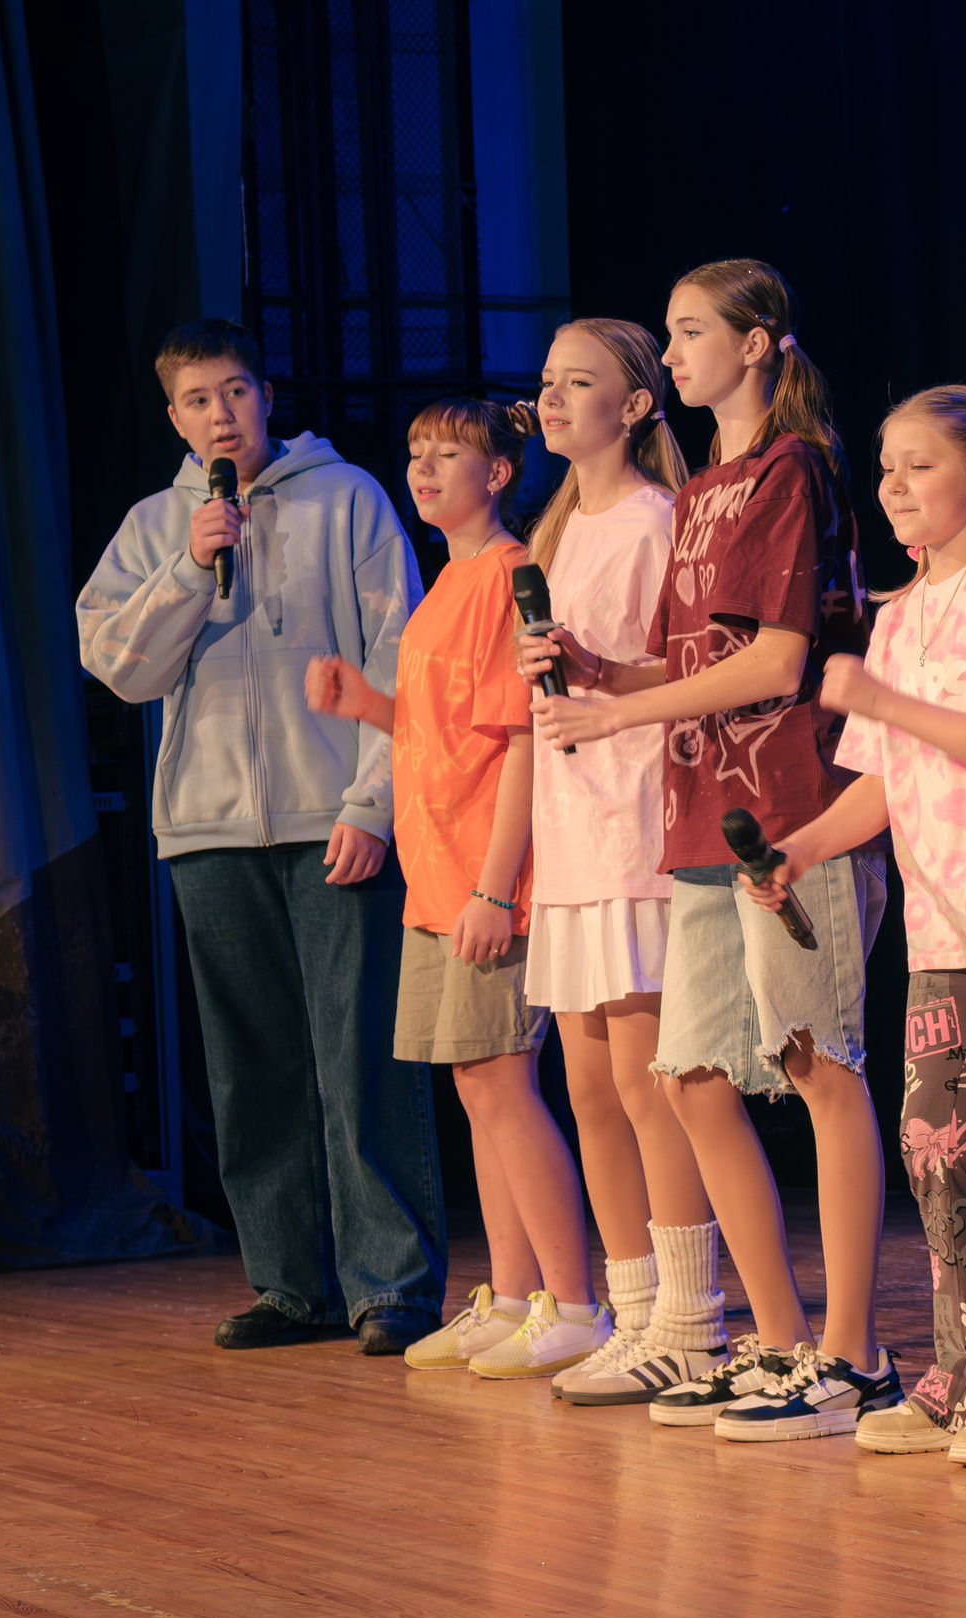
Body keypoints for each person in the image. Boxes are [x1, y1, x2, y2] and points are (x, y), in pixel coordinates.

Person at [523, 260, 900, 1442]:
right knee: (688, 1077)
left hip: (789, 811)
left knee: (815, 1064)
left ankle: (853, 1352)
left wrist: (617, 714)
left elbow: (777, 665)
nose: (675, 353)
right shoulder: (706, 491)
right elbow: (689, 666)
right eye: (673, 335)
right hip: (695, 818)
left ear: (757, 345)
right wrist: (601, 673)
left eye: (692, 334)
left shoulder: (792, 471)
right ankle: (778, 1340)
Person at [742, 385, 966, 1467]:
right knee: (939, 1158)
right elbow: (881, 784)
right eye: (885, 468)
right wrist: (802, 847)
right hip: (939, 938)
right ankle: (959, 1372)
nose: (893, 487)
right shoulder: (895, 617)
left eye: (919, 466)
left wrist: (885, 705)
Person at [77, 319, 442, 1355]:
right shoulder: (159, 524)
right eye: (197, 401)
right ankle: (292, 1284)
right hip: (206, 827)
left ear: (266, 394)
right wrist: (192, 571)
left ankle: (393, 1287)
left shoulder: (349, 499)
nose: (219, 415)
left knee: (362, 1057)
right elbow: (120, 666)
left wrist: (372, 804)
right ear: (174, 417)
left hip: (336, 819)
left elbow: (398, 659)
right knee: (252, 1070)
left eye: (234, 392)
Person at [305, 397, 608, 1381]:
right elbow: (443, 737)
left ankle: (575, 1301)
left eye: (449, 455)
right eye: (415, 451)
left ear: (501, 474)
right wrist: (370, 708)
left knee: (505, 1085)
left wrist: (493, 885)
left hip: (487, 877)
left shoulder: (513, 575)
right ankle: (513, 1297)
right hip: (432, 878)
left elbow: (522, 741)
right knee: (476, 1092)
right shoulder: (444, 585)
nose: (424, 469)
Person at [507, 320, 733, 1407]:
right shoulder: (554, 532)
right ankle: (633, 1308)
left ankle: (692, 1320)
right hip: (572, 831)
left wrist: (603, 684)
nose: (552, 400)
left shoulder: (654, 520)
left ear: (637, 405)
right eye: (545, 384)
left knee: (650, 1084)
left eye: (578, 383)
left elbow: (679, 668)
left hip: (637, 820)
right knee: (590, 1083)